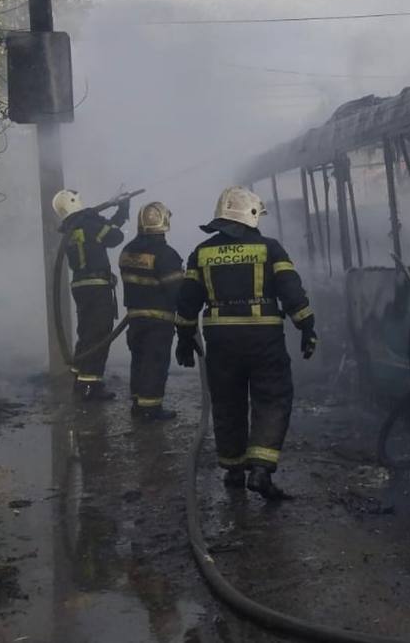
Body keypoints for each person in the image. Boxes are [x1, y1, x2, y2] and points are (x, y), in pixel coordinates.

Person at [175, 186, 317, 500]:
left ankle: (234, 470)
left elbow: (187, 300)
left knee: (227, 401)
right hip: (264, 338)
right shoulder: (270, 248)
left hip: (221, 341)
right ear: (251, 214)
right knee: (272, 396)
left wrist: (183, 337)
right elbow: (292, 292)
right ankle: (261, 470)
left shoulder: (202, 252)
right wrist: (307, 327)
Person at [53, 189, 130, 401]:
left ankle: (80, 379)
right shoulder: (88, 223)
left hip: (81, 285)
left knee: (87, 332)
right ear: (74, 202)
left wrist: (121, 211)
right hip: (96, 286)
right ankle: (90, 385)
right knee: (99, 334)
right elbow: (114, 236)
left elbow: (104, 232)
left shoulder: (73, 227)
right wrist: (121, 210)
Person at [119, 202, 185, 421]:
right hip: (158, 321)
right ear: (164, 222)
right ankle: (150, 409)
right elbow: (176, 291)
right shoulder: (166, 254)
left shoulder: (127, 251)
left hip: (135, 319)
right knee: (154, 363)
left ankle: (138, 404)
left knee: (139, 361)